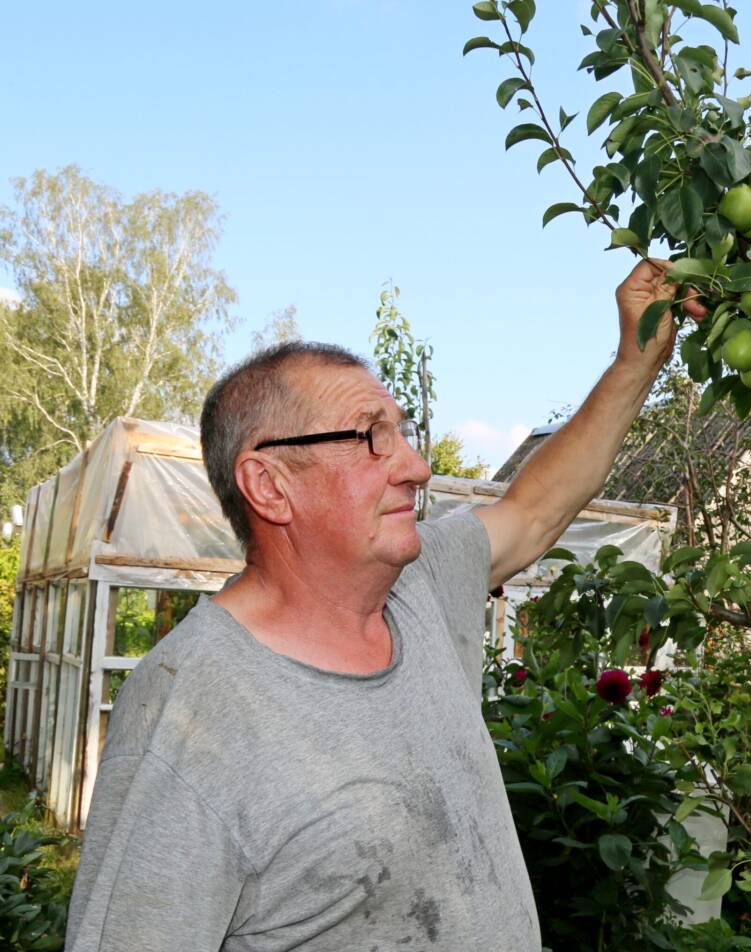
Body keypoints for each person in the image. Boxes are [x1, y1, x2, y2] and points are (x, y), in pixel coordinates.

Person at [65, 260, 705, 951]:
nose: (416, 466)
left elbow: (533, 510)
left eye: (400, 432)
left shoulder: (419, 586)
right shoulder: (190, 711)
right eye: (372, 436)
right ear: (269, 485)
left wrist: (636, 362)